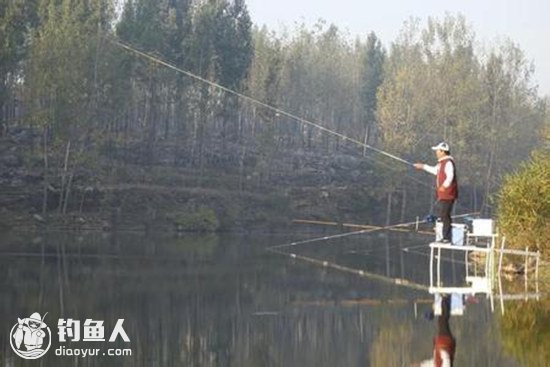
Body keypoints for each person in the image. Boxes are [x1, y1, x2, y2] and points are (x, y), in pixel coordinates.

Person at [414, 142, 458, 243]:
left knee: (445, 215)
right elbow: (435, 171)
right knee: (443, 215)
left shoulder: (448, 163)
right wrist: (423, 166)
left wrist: (444, 186)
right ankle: (445, 237)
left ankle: (447, 238)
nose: (436, 153)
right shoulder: (441, 163)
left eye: (438, 151)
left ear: (443, 151)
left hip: (448, 194)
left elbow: (450, 176)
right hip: (444, 194)